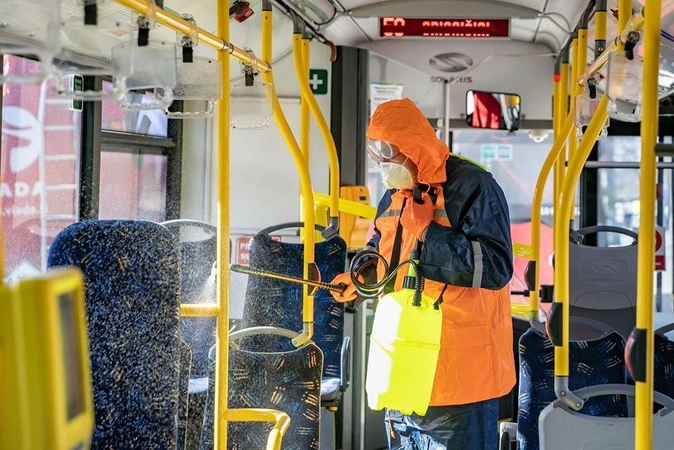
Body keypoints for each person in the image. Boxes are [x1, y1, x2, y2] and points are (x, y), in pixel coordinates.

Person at [331, 98, 515, 450]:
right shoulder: (394, 195)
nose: (383, 162)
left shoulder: (474, 186)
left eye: (389, 150)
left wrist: (427, 232)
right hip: (401, 369)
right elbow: (384, 249)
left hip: (460, 376)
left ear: (414, 145)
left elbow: (495, 266)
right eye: (376, 152)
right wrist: (361, 278)